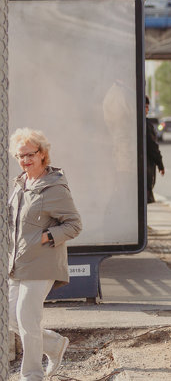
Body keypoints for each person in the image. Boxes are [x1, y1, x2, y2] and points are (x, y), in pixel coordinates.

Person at [7, 128, 83, 381]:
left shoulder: (54, 187)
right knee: (8, 315)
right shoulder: (20, 184)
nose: (25, 160)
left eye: (30, 154)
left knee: (28, 321)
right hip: (17, 263)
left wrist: (46, 236)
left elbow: (74, 225)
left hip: (42, 263)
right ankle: (52, 345)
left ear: (42, 154)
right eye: (20, 156)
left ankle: (31, 375)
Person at [144, 96, 165, 204]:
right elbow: (153, 147)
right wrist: (160, 164)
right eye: (145, 107)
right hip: (145, 170)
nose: (147, 110)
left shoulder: (130, 123)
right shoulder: (146, 125)